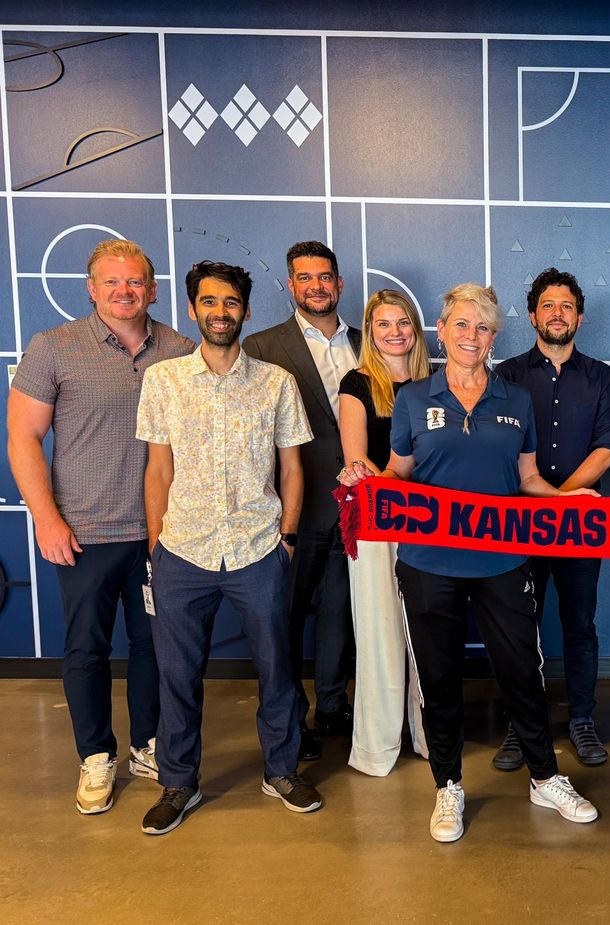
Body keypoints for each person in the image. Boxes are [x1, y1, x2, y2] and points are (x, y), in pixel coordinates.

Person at [339, 283, 598, 843]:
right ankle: (448, 785)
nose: (471, 337)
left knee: (523, 675)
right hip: (428, 563)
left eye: (482, 328)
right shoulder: (413, 398)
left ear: (494, 336)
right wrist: (364, 485)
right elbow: (398, 474)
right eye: (461, 325)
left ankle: (545, 777)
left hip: (503, 560)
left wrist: (565, 499)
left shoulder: (515, 400)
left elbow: (528, 479)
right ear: (441, 330)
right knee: (439, 678)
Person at [8, 239, 193, 815]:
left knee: (153, 646)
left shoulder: (182, 350)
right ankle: (95, 756)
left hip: (161, 534)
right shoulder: (54, 347)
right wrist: (46, 517)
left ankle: (146, 746)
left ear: (152, 289)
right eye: (111, 282)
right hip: (84, 533)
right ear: (91, 290)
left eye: (135, 281)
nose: (123, 291)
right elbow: (22, 439)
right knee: (86, 648)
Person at [137, 261, 321, 835]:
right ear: (193, 310)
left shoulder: (275, 383)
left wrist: (286, 539)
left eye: (232, 303)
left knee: (277, 667)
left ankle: (282, 770)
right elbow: (157, 468)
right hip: (181, 551)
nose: (221, 312)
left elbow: (293, 468)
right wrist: (156, 545)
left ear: (245, 309)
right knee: (177, 673)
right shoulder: (163, 381)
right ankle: (178, 782)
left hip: (258, 548)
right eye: (210, 303)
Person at [494, 267, 610, 768]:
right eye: (548, 305)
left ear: (580, 317)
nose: (557, 313)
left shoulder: (602, 377)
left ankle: (583, 720)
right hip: (520, 525)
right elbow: (498, 449)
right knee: (516, 628)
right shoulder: (505, 375)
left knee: (579, 625)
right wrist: (546, 503)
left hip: (581, 525)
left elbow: (608, 448)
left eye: (567, 306)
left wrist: (559, 500)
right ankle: (519, 724)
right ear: (532, 316)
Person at [243, 241, 359, 761]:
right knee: (284, 616)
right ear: (291, 286)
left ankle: (333, 705)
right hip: (293, 504)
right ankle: (289, 714)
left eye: (326, 276)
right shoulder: (264, 346)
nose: (317, 286)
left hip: (359, 508)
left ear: (339, 283)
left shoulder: (369, 343)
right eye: (305, 277)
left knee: (341, 611)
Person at [337, 290, 432, 776]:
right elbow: (358, 462)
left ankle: (428, 734)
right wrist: (405, 499)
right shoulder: (357, 383)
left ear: (415, 328)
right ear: (370, 333)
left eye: (402, 322)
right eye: (383, 324)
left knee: (429, 630)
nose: (394, 332)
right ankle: (378, 746)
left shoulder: (437, 381)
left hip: (434, 525)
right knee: (380, 631)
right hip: (378, 523)